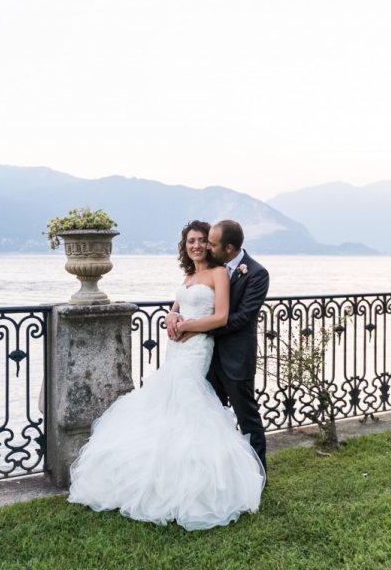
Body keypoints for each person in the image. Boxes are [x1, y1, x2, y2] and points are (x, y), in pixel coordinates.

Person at [67, 220, 265, 531]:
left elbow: (223, 316)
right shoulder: (189, 277)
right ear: (184, 246)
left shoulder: (218, 274)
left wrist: (185, 326)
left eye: (203, 240)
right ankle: (161, 475)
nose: (198, 245)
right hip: (177, 351)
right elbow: (178, 305)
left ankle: (223, 480)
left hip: (198, 349)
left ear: (216, 247)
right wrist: (172, 315)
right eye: (192, 241)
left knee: (195, 408)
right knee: (168, 408)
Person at [173, 219, 270, 469]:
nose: (206, 247)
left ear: (228, 248)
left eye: (211, 243)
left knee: (247, 418)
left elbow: (242, 317)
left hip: (236, 357)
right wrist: (173, 315)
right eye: (199, 242)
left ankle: (258, 474)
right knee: (212, 416)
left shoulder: (257, 273)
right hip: (205, 357)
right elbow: (187, 302)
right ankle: (219, 470)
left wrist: (198, 329)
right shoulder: (207, 270)